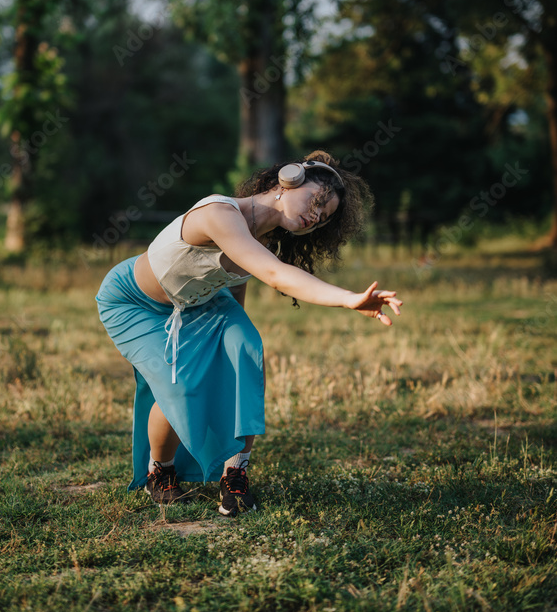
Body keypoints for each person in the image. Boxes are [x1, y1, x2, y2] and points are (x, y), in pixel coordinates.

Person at [95, 149, 402, 517]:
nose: (316, 216)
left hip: (202, 302)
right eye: (317, 202)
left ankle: (235, 473)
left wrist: (230, 343)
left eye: (324, 217)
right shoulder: (219, 213)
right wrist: (349, 299)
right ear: (288, 179)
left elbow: (234, 282)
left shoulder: (264, 238)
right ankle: (160, 471)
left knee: (247, 349)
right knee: (183, 383)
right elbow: (274, 274)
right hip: (134, 302)